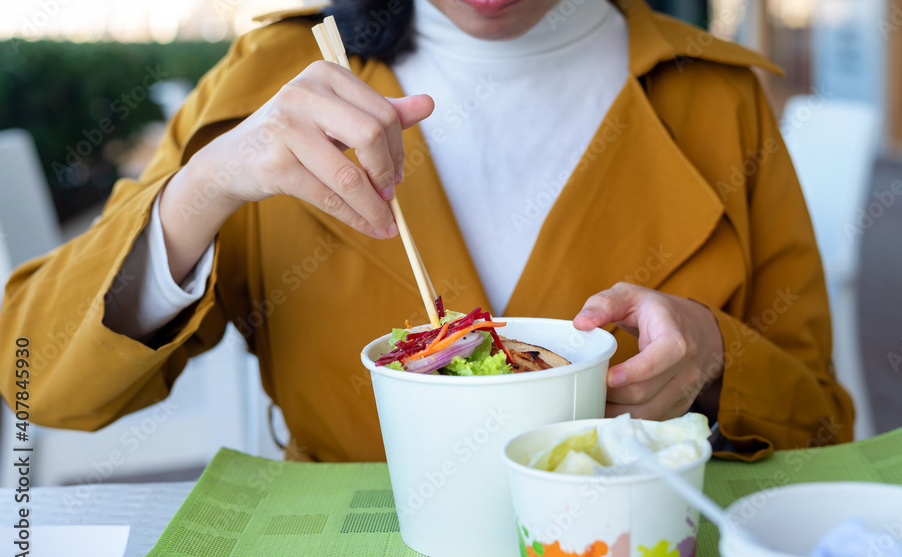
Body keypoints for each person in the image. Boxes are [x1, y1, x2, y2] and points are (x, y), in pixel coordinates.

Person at [0, 0, 853, 463]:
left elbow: (823, 424)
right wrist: (202, 189)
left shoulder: (718, 95)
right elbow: (34, 379)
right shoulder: (271, 74)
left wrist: (712, 359)